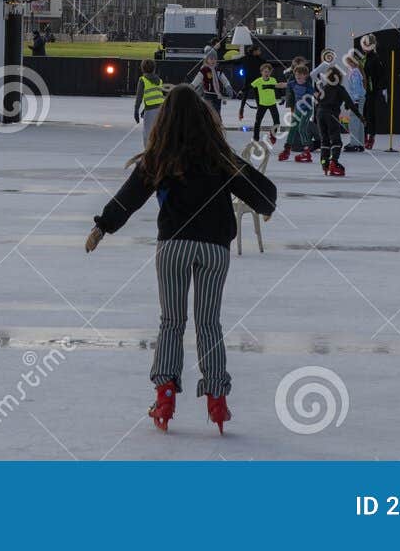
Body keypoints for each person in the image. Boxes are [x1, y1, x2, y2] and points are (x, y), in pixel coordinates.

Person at [86, 86, 278, 434]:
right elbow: (258, 187)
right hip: (214, 249)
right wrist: (266, 207)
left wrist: (103, 227)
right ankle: (217, 400)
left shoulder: (160, 157)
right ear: (205, 117)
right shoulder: (219, 156)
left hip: (173, 246)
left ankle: (164, 396)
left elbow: (130, 196)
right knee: (209, 325)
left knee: (171, 322)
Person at [314, 63, 349, 177]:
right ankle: (333, 161)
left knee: (324, 141)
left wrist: (316, 118)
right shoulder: (339, 88)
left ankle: (324, 164)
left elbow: (317, 102)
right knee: (336, 140)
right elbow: (349, 102)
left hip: (320, 115)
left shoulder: (324, 88)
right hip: (331, 116)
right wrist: (360, 116)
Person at [277, 61, 315, 163]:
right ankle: (287, 149)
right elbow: (283, 85)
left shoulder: (308, 86)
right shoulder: (293, 83)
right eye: (296, 75)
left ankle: (307, 151)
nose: (298, 77)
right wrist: (270, 85)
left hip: (307, 110)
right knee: (293, 128)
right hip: (298, 109)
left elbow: (315, 93)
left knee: (302, 128)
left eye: (300, 75)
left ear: (305, 76)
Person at [244, 63, 282, 145]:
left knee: (277, 122)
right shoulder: (258, 81)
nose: (266, 73)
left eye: (268, 72)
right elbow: (249, 87)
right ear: (261, 72)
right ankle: (256, 137)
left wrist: (282, 97)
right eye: (265, 72)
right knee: (258, 122)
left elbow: (278, 89)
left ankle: (272, 134)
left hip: (272, 104)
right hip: (262, 104)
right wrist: (241, 92)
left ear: (271, 72)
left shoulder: (273, 80)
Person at [191, 50, 232, 120]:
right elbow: (197, 79)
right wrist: (191, 86)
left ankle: (218, 127)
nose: (213, 61)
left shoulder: (217, 69)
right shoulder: (204, 70)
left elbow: (224, 79)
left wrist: (228, 86)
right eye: (211, 59)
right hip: (208, 95)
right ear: (207, 60)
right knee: (208, 113)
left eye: (215, 59)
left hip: (217, 96)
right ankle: (207, 127)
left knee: (217, 113)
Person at [133, 58, 166, 142]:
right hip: (161, 110)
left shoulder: (143, 80)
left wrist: (136, 110)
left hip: (150, 110)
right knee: (159, 132)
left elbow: (139, 97)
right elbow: (157, 96)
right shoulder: (159, 80)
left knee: (147, 135)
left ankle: (149, 153)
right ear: (154, 68)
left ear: (142, 68)